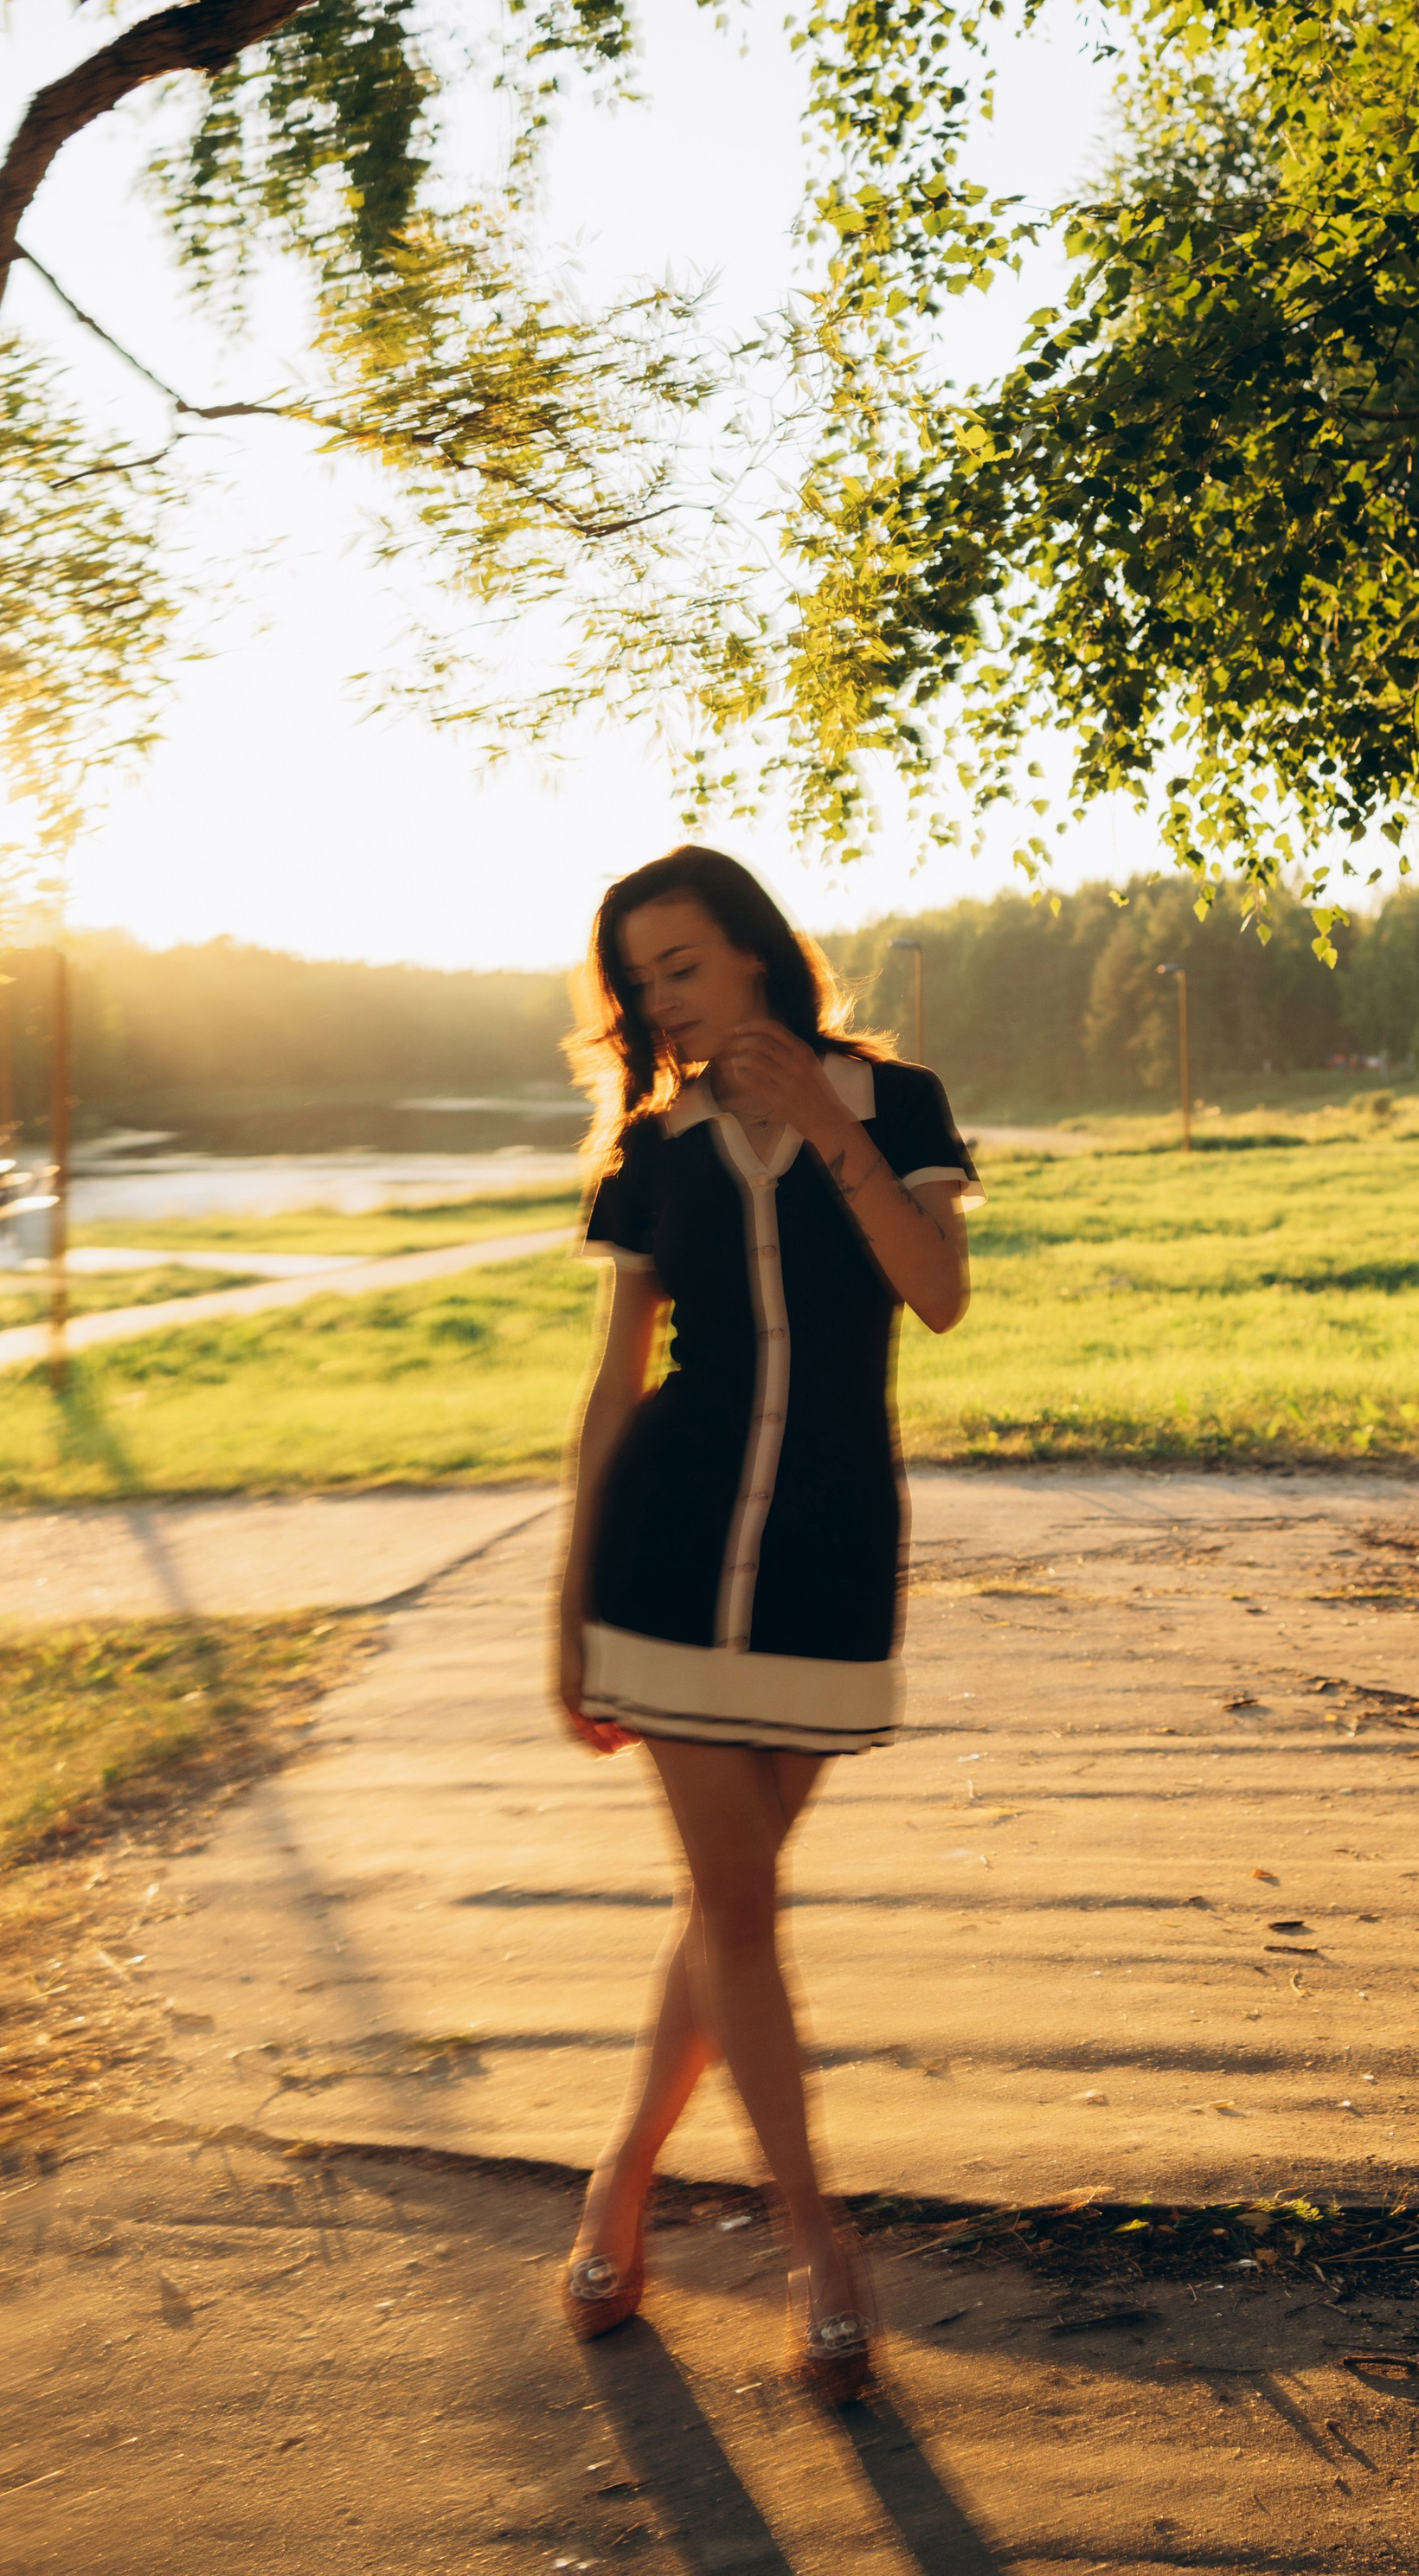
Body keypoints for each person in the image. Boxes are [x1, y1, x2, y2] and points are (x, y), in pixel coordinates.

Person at [551, 845, 977, 2402]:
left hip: (825, 1557)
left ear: (750, 957)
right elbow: (613, 1390)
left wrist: (817, 1122)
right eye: (638, 978)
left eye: (681, 964)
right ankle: (822, 2248)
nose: (660, 997)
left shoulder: (897, 1104)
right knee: (736, 1906)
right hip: (662, 1562)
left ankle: (616, 2183)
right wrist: (565, 1614)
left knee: (725, 1909)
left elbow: (935, 1295)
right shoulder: (649, 1155)